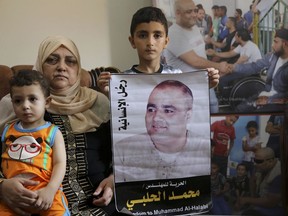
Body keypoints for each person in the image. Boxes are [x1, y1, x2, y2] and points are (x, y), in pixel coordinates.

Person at [0, 35, 119, 216]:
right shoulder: (15, 105)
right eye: (52, 60)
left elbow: (123, 152)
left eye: (70, 61)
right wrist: (1, 186)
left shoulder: (100, 102)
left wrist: (113, 180)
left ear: (78, 69)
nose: (61, 67)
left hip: (99, 203)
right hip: (37, 204)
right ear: (40, 64)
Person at [97, 6, 220, 100]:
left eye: (157, 35)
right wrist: (109, 93)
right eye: (143, 35)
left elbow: (189, 99)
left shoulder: (177, 75)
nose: (150, 42)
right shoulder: (123, 81)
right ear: (132, 41)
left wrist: (207, 84)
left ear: (166, 42)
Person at [0, 70, 69, 215]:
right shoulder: (7, 130)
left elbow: (60, 163)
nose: (25, 105)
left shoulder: (53, 132)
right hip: (13, 193)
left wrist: (51, 190)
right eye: (18, 101)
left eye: (32, 99)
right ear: (12, 103)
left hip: (45, 191)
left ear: (47, 102)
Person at [114, 80, 210, 182]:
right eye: (151, 109)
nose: (156, 118)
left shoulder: (206, 149)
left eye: (168, 111)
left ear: (188, 115)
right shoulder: (124, 149)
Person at [163, 0, 230, 114]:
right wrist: (219, 66)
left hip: (205, 82)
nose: (194, 14)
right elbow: (194, 61)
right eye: (189, 12)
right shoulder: (174, 33)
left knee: (213, 110)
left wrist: (207, 53)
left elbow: (196, 51)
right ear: (178, 13)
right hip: (189, 90)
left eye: (195, 10)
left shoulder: (193, 28)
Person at [223, 28, 288, 112]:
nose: (272, 45)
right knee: (239, 109)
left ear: (285, 44)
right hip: (266, 94)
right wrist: (234, 67)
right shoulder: (273, 56)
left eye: (276, 42)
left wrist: (270, 100)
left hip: (279, 103)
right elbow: (255, 66)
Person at [239, 147, 285, 216]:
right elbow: (252, 180)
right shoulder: (261, 167)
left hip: (278, 207)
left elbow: (271, 202)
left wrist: (247, 200)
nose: (255, 163)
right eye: (254, 160)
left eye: (258, 161)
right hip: (263, 198)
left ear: (270, 161)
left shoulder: (279, 175)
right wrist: (253, 198)